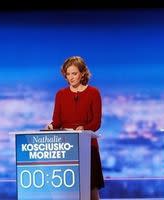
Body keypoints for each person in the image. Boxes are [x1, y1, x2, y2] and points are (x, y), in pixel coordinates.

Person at [46, 56, 104, 200]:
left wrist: (83, 129)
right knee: (68, 193)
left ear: (82, 73)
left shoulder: (94, 93)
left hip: (87, 147)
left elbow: (96, 123)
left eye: (74, 73)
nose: (70, 77)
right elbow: (57, 121)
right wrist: (51, 126)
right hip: (66, 148)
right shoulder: (60, 94)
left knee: (91, 192)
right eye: (68, 74)